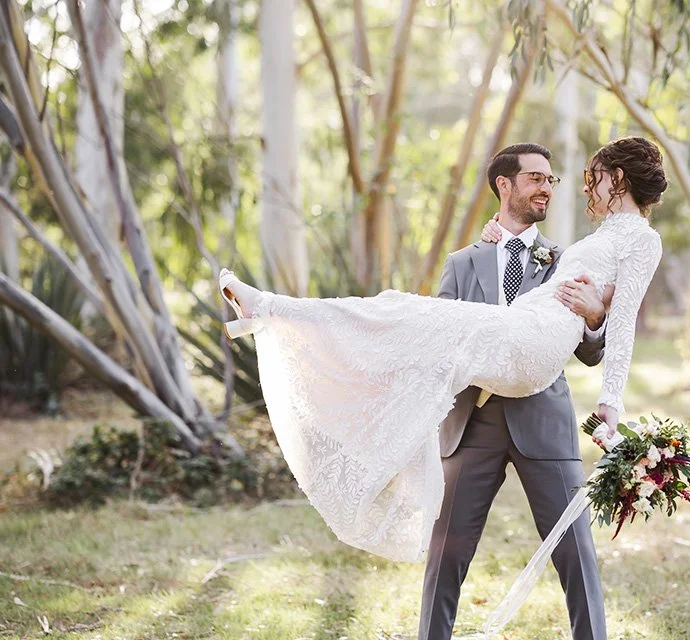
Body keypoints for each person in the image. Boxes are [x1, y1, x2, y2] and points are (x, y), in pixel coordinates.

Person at [217, 136, 665, 568]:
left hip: (533, 343)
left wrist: (609, 399)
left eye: (596, 176)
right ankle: (282, 320)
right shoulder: (602, 235)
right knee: (402, 312)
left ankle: (271, 310)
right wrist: (499, 243)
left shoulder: (642, 239)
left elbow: (622, 324)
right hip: (520, 330)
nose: (588, 186)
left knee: (403, 311)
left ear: (618, 177)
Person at [419, 142, 608, 640]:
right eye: (535, 178)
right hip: (472, 427)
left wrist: (594, 317)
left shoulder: (566, 260)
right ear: (504, 184)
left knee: (576, 554)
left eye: (551, 180)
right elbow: (441, 339)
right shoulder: (462, 264)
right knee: (446, 556)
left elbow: (590, 352)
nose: (546, 187)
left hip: (544, 424)